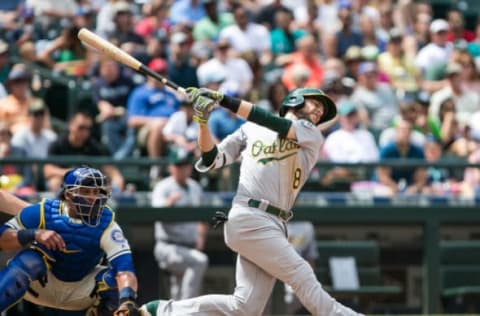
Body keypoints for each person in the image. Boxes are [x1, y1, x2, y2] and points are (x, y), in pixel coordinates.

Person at [139, 86, 363, 315]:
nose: (318, 111)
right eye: (315, 103)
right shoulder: (251, 128)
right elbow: (211, 158)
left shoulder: (311, 134)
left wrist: (223, 100)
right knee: (302, 275)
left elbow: (277, 125)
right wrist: (203, 122)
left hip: (275, 222)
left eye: (322, 109)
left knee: (245, 308)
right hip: (250, 214)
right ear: (295, 100)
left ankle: (163, 311)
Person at [0, 166, 140, 316]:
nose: (92, 197)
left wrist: (127, 301)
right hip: (41, 285)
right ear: (68, 194)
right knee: (29, 260)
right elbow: (2, 240)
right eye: (86, 191)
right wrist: (33, 234)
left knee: (113, 281)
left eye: (96, 192)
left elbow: (125, 270)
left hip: (81, 291)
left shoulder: (108, 225)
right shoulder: (42, 211)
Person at [151, 147, 208, 300]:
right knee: (199, 262)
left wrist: (201, 238)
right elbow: (155, 213)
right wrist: (169, 202)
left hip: (189, 245)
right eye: (178, 166)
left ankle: (177, 310)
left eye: (185, 165)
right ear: (171, 167)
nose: (182, 169)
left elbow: (205, 216)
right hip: (168, 246)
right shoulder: (163, 187)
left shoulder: (195, 187)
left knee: (177, 289)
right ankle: (187, 309)